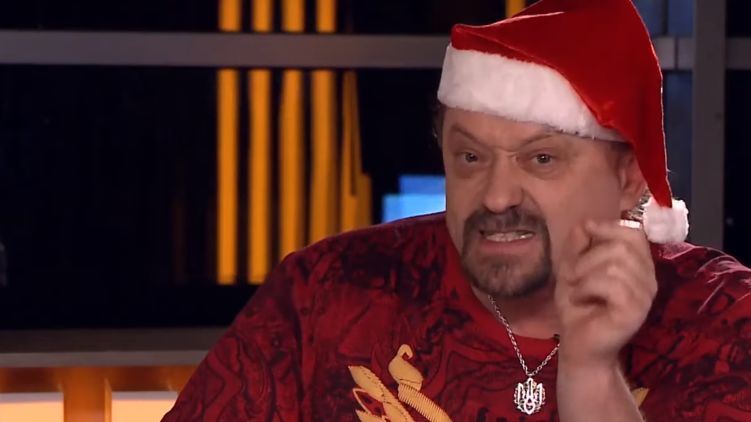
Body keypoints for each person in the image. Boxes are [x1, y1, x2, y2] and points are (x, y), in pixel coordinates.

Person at [163, 0, 751, 420]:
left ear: (628, 178)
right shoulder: (328, 291)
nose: (496, 196)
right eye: (471, 157)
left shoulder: (724, 321)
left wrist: (592, 376)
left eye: (541, 159)